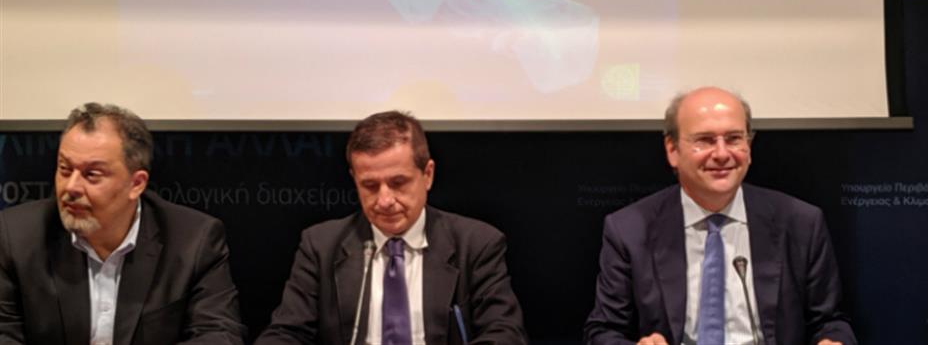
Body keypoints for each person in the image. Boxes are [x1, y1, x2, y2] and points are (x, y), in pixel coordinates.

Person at [584, 87, 856, 345]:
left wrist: (832, 340)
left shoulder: (800, 222)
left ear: (749, 147)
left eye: (734, 138)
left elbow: (830, 322)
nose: (722, 153)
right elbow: (603, 331)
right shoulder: (630, 230)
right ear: (672, 150)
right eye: (705, 140)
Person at [256, 110, 526, 345]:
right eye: (370, 186)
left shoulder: (476, 244)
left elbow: (504, 335)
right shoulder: (321, 246)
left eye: (398, 183)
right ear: (354, 180)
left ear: (427, 175)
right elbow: (286, 333)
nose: (384, 200)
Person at [0, 102, 246, 344]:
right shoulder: (15, 237)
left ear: (136, 184)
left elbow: (219, 334)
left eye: (92, 174)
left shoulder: (193, 241)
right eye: (64, 169)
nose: (71, 187)